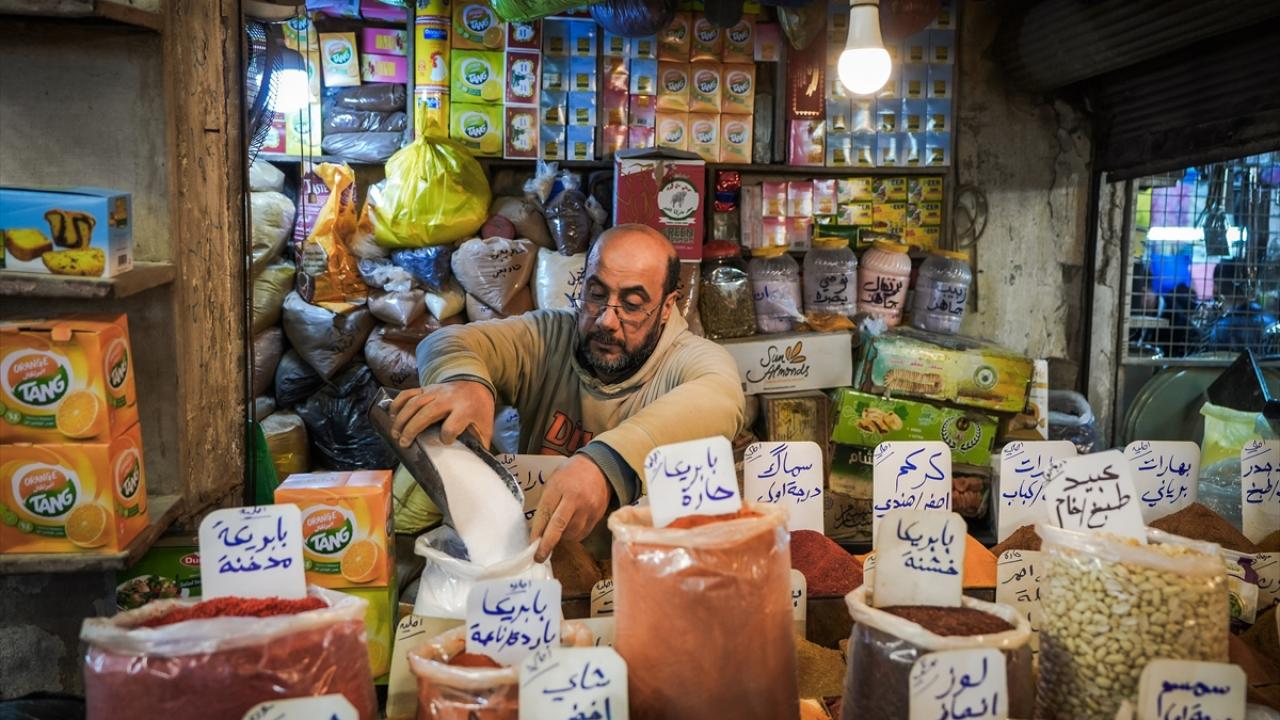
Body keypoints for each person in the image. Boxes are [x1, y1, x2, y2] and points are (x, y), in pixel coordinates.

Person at [389, 224, 747, 561]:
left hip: (641, 575)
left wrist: (604, 465)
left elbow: (720, 398)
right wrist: (465, 382)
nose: (606, 320)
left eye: (633, 304)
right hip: (532, 570)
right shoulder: (551, 337)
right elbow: (445, 341)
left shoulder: (689, 358)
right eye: (596, 295)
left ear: (667, 307)